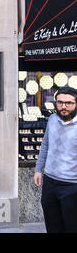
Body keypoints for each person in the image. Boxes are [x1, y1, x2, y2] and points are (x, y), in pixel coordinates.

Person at [34, 86, 77, 233]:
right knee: (53, 227)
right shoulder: (52, 119)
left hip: (72, 186)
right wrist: (38, 169)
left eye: (68, 103)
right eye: (60, 102)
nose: (63, 106)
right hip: (50, 183)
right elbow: (45, 144)